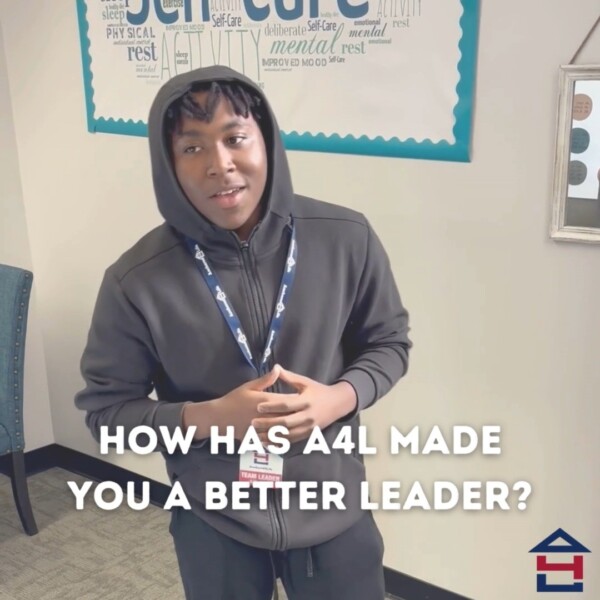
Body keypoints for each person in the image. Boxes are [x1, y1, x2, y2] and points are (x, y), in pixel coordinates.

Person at [75, 65, 411, 600]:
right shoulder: (136, 280)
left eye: (235, 138)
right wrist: (209, 418)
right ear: (168, 164)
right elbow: (107, 415)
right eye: (192, 148)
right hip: (214, 520)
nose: (220, 164)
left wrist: (339, 399)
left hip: (334, 509)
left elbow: (389, 343)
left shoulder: (346, 238)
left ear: (266, 142)